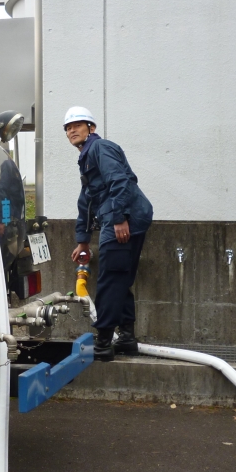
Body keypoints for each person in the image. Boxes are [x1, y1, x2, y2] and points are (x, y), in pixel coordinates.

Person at [65, 107, 154, 362]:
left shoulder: (100, 148)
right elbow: (87, 202)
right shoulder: (87, 158)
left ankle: (103, 342)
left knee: (110, 279)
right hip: (123, 217)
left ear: (91, 128)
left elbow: (120, 181)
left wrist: (119, 218)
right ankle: (126, 338)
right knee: (120, 277)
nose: (71, 130)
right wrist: (82, 240)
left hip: (124, 218)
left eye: (77, 125)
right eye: (68, 128)